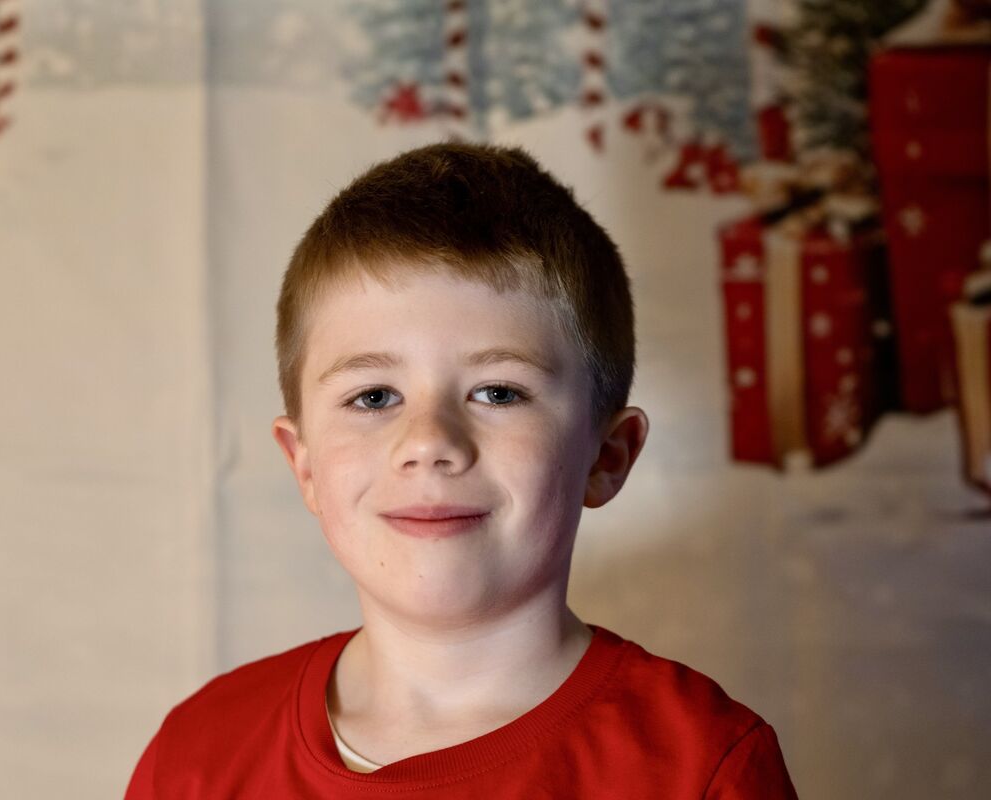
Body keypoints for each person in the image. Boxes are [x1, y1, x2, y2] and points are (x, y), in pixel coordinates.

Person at [124, 142, 798, 798]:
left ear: (608, 455)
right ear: (302, 464)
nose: (429, 442)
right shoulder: (197, 756)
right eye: (374, 397)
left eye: (498, 392)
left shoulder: (704, 768)